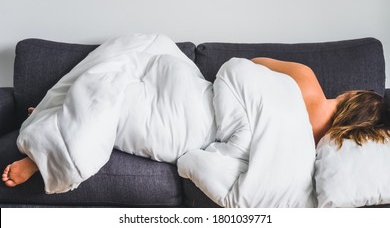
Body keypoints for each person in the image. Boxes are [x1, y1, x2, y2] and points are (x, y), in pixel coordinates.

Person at [3, 58, 390, 188]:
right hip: (205, 126)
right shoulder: (319, 150)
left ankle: (56, 129)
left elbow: (249, 65)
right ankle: (55, 133)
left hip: (198, 94)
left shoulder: (306, 77)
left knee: (120, 78)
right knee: (122, 103)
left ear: (350, 98)